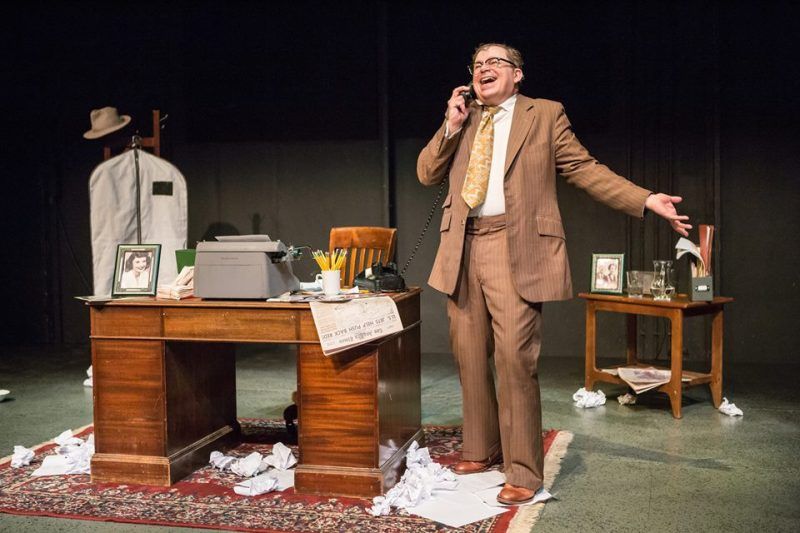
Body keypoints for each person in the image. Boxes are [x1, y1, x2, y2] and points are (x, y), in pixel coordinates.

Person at [417, 43, 690, 505]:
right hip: (462, 245)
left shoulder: (543, 114)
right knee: (468, 353)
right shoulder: (464, 119)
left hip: (515, 245)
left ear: (517, 73)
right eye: (477, 64)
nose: (484, 69)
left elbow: (584, 168)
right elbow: (427, 173)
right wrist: (451, 125)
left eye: (495, 62)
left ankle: (523, 470)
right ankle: (481, 447)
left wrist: (644, 199)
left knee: (514, 360)